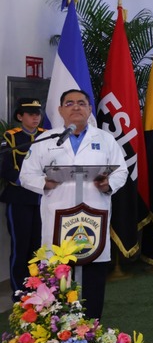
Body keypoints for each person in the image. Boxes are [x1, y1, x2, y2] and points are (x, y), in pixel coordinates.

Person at [19, 89, 127, 320]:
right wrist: (44, 183)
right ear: (60, 110)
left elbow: (121, 171)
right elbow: (26, 175)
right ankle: (60, 331)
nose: (75, 107)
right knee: (58, 281)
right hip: (58, 220)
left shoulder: (105, 139)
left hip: (93, 220)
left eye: (81, 103)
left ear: (89, 109)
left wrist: (108, 184)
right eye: (69, 103)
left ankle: (92, 328)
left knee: (93, 277)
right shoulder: (46, 140)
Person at [1, 98, 45, 301]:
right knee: (21, 246)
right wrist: (27, 182)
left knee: (39, 247)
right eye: (31, 114)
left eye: (38, 114)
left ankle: (40, 289)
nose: (36, 117)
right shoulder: (11, 137)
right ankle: (20, 292)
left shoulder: (47, 136)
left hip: (43, 198)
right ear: (20, 116)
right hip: (20, 198)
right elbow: (5, 168)